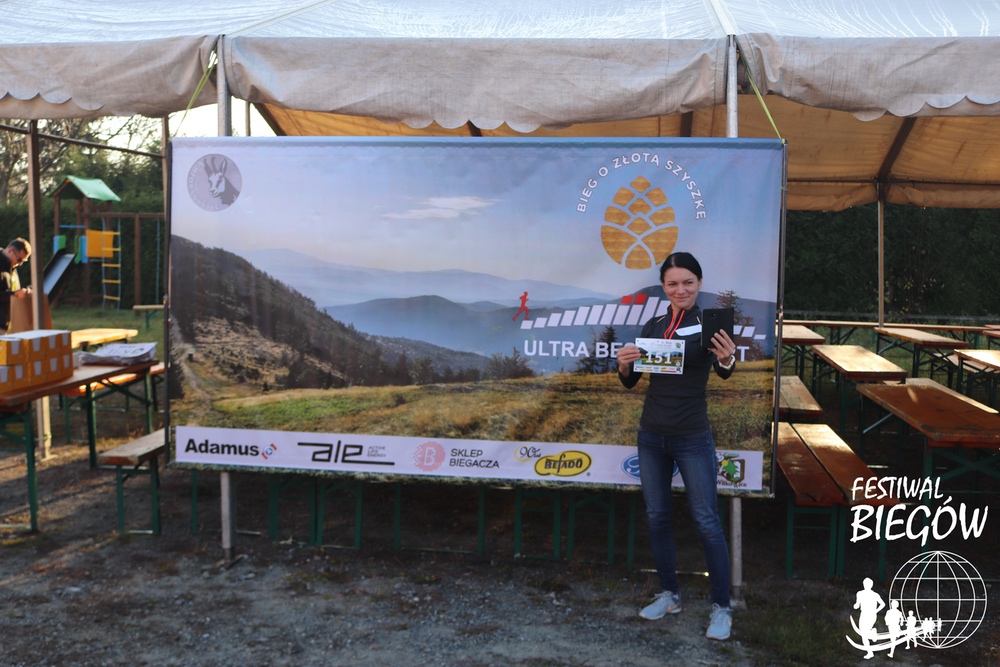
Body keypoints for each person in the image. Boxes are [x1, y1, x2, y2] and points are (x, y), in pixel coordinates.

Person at [615, 251, 738, 641]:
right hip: (651, 436)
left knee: (706, 521)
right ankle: (670, 595)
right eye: (672, 283)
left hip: (692, 437)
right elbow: (632, 381)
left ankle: (722, 607)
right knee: (657, 517)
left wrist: (727, 360)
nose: (680, 290)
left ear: (699, 283)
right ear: (663, 287)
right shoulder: (654, 325)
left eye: (688, 282)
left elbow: (724, 370)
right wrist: (624, 365)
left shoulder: (709, 325)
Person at [0, 238, 31, 334]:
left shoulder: (11, 266)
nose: (20, 264)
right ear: (10, 251)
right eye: (19, 259)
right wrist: (14, 294)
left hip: (7, 324)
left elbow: (11, 289)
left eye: (23, 261)